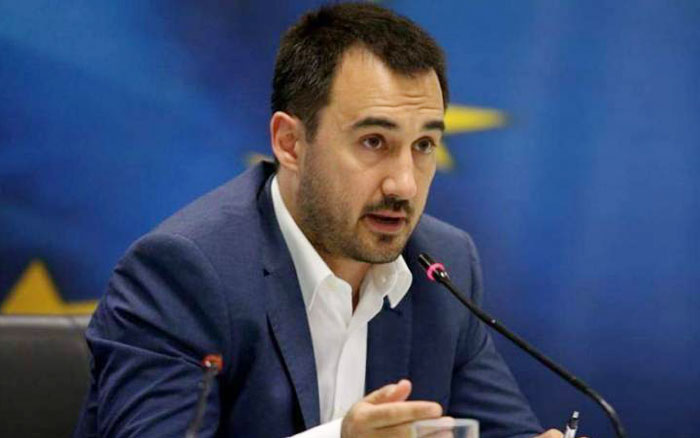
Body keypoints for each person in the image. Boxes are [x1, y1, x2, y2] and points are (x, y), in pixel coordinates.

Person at [75, 4, 565, 438]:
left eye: (423, 146)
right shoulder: (184, 273)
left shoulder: (442, 266)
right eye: (374, 141)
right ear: (290, 143)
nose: (404, 185)